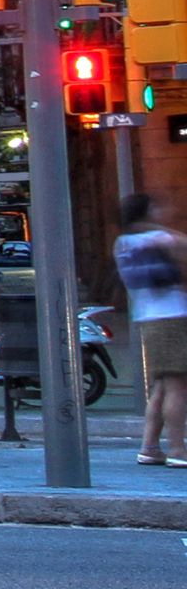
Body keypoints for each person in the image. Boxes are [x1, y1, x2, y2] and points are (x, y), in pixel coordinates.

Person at [114, 192, 186, 466]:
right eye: (156, 207)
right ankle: (178, 449)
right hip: (174, 316)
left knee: (163, 385)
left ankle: (150, 446)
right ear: (146, 213)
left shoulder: (122, 243)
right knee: (178, 386)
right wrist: (160, 228)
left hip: (148, 317)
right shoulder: (162, 239)